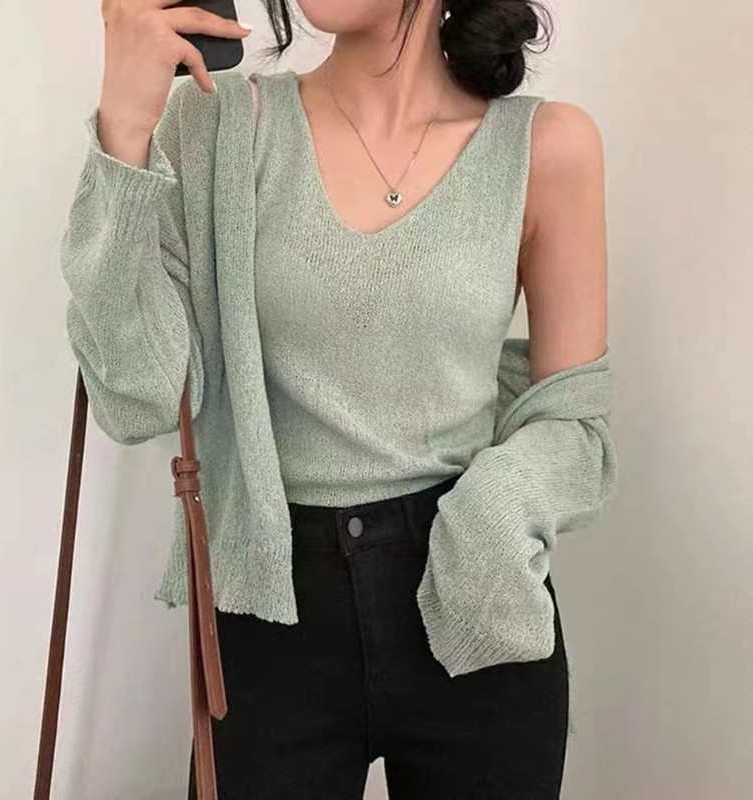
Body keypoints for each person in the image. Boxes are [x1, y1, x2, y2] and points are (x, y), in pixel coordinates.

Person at [59, 0, 615, 797]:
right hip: (271, 613)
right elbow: (136, 398)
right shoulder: (218, 126)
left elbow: (573, 418)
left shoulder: (547, 145)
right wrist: (123, 130)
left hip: (475, 595)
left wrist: (495, 510)